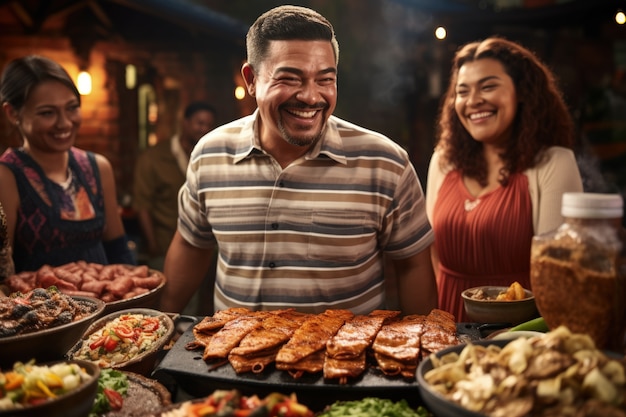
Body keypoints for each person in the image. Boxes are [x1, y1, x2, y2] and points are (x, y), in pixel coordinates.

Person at [160, 5, 437, 315]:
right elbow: (190, 245)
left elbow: (413, 265)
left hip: (345, 361)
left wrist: (421, 351)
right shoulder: (209, 155)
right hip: (228, 359)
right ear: (251, 79)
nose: (310, 96)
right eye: (290, 79)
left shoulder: (385, 163)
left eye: (324, 79)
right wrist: (161, 331)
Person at [425, 37, 584, 322]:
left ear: (522, 92)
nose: (473, 101)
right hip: (447, 329)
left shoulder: (554, 163)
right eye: (463, 91)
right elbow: (431, 258)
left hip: (522, 332)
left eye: (488, 86)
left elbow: (558, 277)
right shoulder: (443, 161)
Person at [0, 55, 135, 273]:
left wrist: (139, 294)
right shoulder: (7, 177)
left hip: (108, 303)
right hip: (41, 305)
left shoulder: (97, 168)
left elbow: (118, 248)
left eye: (72, 108)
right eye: (47, 113)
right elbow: (3, 271)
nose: (64, 123)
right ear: (12, 113)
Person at [132, 101, 216, 271]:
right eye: (199, 123)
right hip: (166, 247)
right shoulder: (154, 158)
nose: (204, 129)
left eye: (209, 125)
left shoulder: (212, 157)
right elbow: (142, 206)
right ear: (185, 123)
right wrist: (153, 246)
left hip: (205, 247)